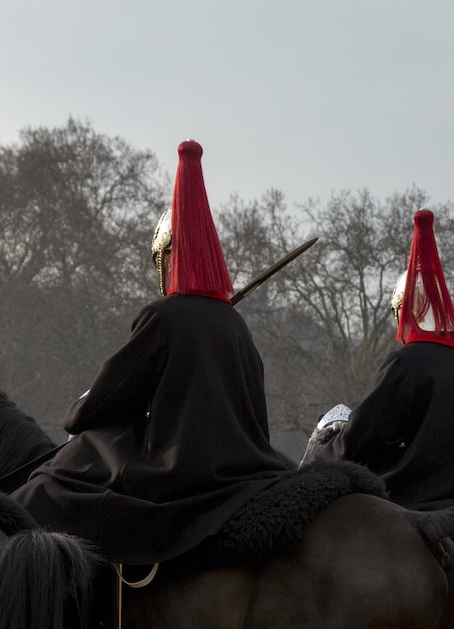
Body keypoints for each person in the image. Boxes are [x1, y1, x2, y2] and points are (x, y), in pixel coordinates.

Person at [15, 141, 290, 564]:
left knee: (45, 490)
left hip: (177, 474)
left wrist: (78, 411)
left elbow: (106, 400)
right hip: (248, 469)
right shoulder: (235, 325)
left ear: (166, 259)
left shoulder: (164, 316)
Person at [324, 209, 454, 509]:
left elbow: (358, 443)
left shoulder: (406, 363)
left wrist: (327, 447)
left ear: (403, 311)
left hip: (415, 504)